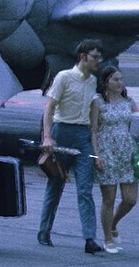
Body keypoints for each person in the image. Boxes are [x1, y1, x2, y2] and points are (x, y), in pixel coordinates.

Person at [38, 39, 106, 255]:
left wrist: (95, 149)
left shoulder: (92, 81)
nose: (98, 61)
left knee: (85, 188)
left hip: (82, 134)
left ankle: (89, 238)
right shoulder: (64, 77)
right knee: (56, 184)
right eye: (95, 57)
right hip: (62, 131)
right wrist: (47, 137)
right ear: (83, 56)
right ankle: (44, 230)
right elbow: (49, 107)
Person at [91, 65, 139, 252]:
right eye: (115, 79)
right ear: (106, 82)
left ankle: (113, 224)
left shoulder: (129, 101)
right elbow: (94, 130)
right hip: (107, 151)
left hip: (127, 151)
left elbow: (138, 124)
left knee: (130, 199)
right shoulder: (98, 102)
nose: (120, 83)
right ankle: (107, 239)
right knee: (109, 198)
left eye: (121, 79)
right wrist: (96, 155)